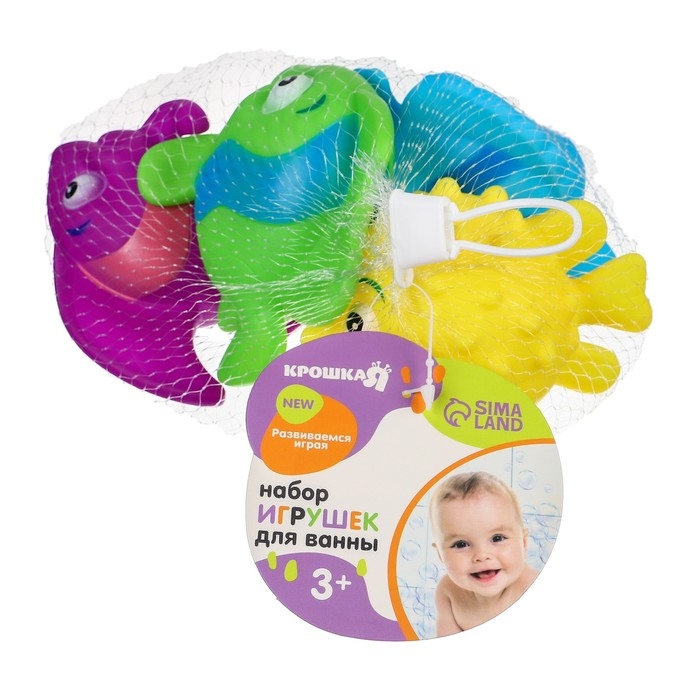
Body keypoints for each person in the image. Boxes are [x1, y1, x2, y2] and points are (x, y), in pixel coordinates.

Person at [429, 471, 538, 636]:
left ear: (523, 543)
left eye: (497, 538)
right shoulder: (448, 593)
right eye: (461, 544)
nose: (481, 555)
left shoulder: (531, 586)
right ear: (440, 555)